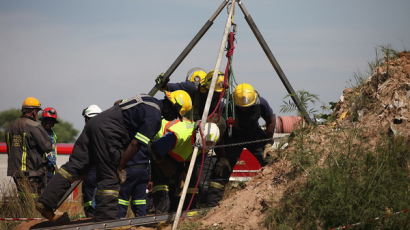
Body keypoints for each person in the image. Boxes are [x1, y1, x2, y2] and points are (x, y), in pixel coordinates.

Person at [36, 91, 192, 221]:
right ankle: (105, 220)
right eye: (175, 114)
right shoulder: (154, 118)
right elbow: (135, 144)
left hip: (94, 124)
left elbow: (118, 103)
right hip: (109, 133)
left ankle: (46, 202)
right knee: (110, 176)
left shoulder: (146, 99)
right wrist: (121, 166)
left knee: (75, 166)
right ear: (172, 106)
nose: (173, 118)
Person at [206, 83, 276, 207]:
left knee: (269, 161)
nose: (245, 109)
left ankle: (276, 195)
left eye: (248, 107)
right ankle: (211, 206)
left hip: (254, 135)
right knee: (221, 169)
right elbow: (219, 135)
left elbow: (270, 120)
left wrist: (268, 142)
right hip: (232, 137)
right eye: (242, 108)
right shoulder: (226, 107)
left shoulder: (261, 103)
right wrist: (222, 157)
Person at [150, 119, 220, 214]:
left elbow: (190, 155)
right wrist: (163, 164)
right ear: (199, 136)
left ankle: (177, 208)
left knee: (182, 179)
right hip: (158, 144)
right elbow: (154, 149)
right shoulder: (179, 136)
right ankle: (159, 211)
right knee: (162, 181)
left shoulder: (204, 142)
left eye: (211, 144)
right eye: (207, 143)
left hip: (176, 152)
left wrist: (184, 171)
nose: (207, 147)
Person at [6, 97, 52, 199]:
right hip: (32, 171)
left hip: (15, 170)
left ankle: (24, 213)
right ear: (34, 111)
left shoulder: (11, 126)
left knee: (23, 198)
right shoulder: (34, 125)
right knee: (34, 199)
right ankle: (32, 214)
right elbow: (47, 146)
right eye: (37, 111)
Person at [80, 104, 102, 218]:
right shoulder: (106, 131)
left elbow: (81, 154)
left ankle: (90, 216)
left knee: (89, 198)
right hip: (104, 171)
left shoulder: (87, 133)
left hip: (91, 171)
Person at [40, 107, 59, 184]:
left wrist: (55, 166)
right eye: (47, 120)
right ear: (43, 120)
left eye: (51, 121)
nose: (49, 123)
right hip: (41, 168)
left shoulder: (52, 133)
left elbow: (53, 151)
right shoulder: (38, 131)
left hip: (51, 168)